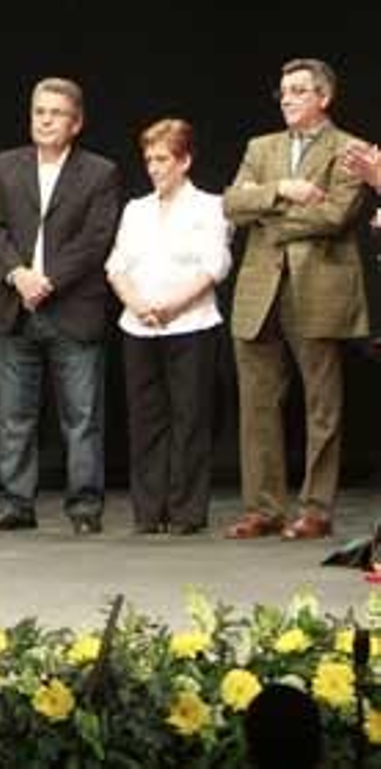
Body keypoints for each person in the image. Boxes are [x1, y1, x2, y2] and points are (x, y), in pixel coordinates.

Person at [223, 57, 368, 540]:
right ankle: (264, 508)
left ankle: (316, 509)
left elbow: (335, 215)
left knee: (321, 405)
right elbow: (231, 204)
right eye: (283, 90)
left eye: (299, 90)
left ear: (323, 97)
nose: (287, 98)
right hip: (260, 288)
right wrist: (283, 189)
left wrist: (267, 212)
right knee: (257, 402)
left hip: (319, 285)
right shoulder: (261, 147)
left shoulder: (350, 149)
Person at [0, 76, 120, 535]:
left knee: (81, 418)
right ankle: (17, 504)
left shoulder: (100, 172)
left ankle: (83, 509)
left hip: (73, 309)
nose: (45, 120)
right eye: (39, 111)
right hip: (16, 307)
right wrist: (18, 275)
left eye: (56, 113)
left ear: (76, 123)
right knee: (14, 416)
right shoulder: (6, 165)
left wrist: (50, 280)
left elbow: (97, 238)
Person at [105, 119, 231, 535]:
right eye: (149, 160)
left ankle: (186, 512)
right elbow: (117, 265)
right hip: (139, 326)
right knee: (146, 420)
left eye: (163, 159)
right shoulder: (136, 209)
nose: (155, 168)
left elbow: (215, 265)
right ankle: (148, 510)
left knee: (190, 418)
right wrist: (137, 304)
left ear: (185, 160)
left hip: (191, 325)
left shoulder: (209, 206)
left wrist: (172, 305)